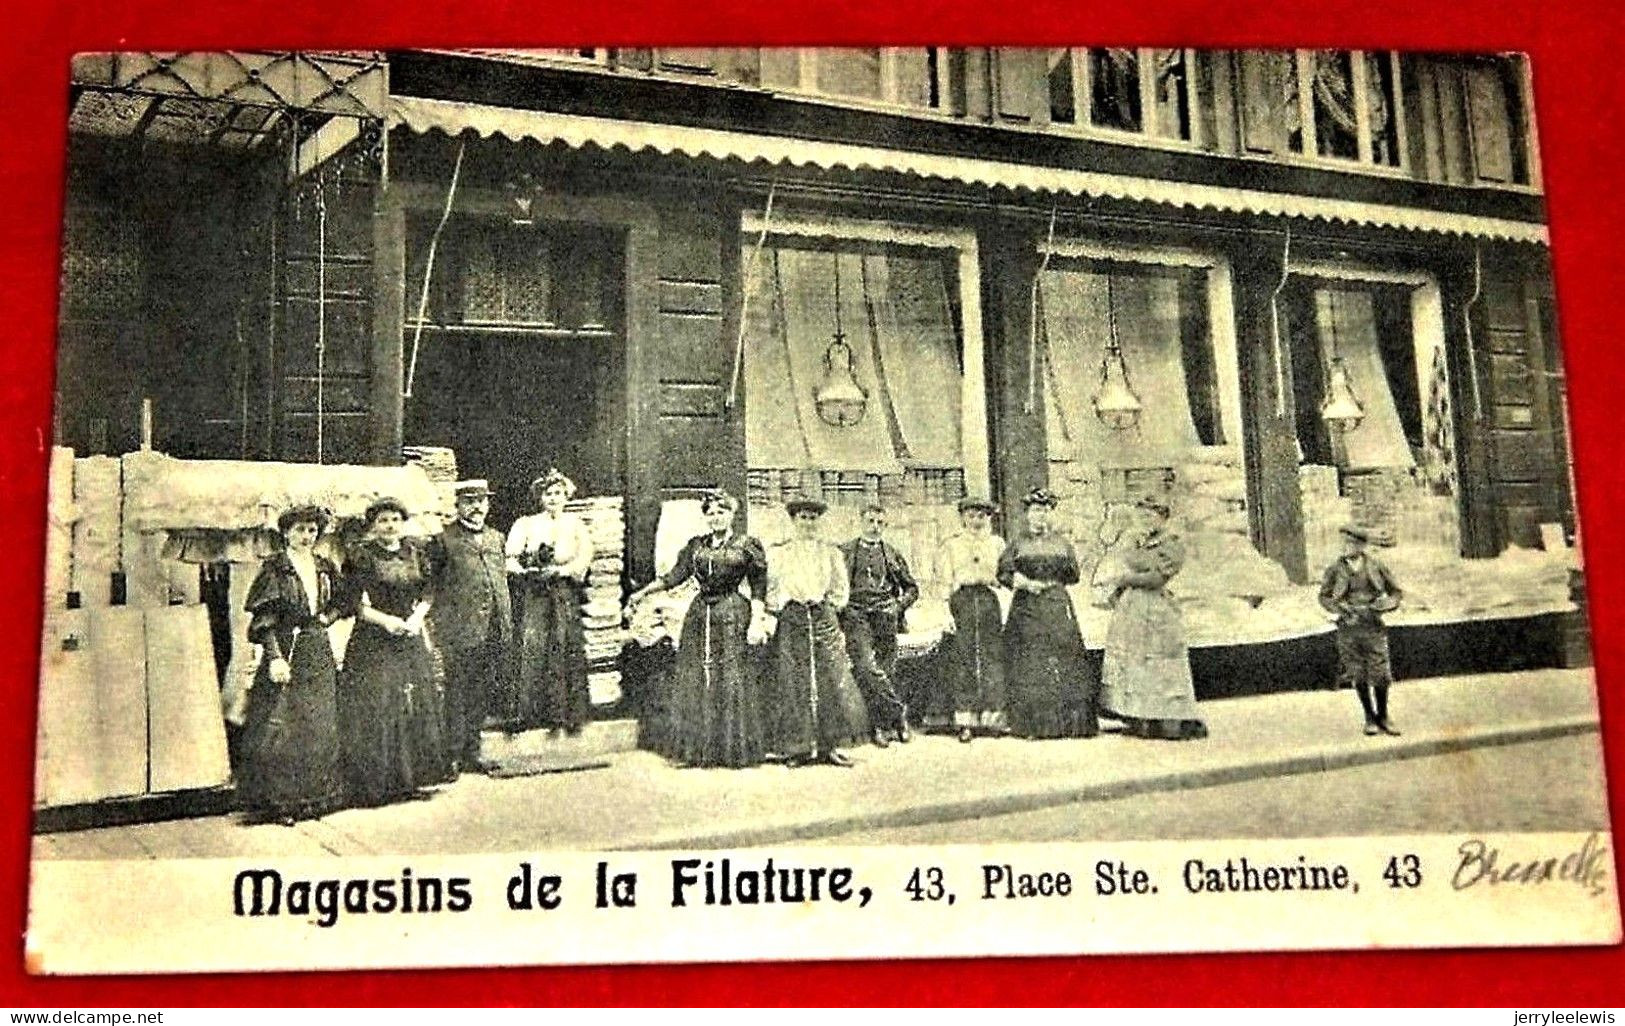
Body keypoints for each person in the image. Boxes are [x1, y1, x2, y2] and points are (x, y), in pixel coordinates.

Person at [626, 490, 770, 768]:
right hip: (700, 613)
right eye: (711, 512)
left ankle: (730, 750)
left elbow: (759, 587)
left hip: (732, 613)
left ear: (732, 514)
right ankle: (698, 750)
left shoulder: (747, 545)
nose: (716, 517)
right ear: (705, 517)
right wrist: (641, 593)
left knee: (730, 676)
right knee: (696, 676)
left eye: (722, 511)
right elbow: (673, 577)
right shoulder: (696, 547)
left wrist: (757, 619)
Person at [236, 505, 346, 825]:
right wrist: (274, 658)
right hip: (285, 647)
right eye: (299, 530)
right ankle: (281, 802)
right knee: (284, 724)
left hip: (316, 648)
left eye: (312, 530)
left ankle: (314, 798)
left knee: (318, 722)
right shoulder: (276, 569)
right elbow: (265, 619)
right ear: (286, 533)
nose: (306, 536)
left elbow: (343, 599)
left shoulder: (324, 566)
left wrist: (325, 619)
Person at [338, 497, 450, 807]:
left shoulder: (415, 552)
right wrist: (386, 621)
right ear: (373, 526)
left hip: (409, 633)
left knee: (413, 701)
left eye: (395, 520)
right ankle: (377, 785)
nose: (390, 526)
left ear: (404, 523)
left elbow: (429, 591)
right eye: (383, 521)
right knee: (379, 705)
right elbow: (352, 603)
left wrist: (415, 619)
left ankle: (410, 779)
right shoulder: (362, 556)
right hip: (374, 638)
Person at [764, 497, 869, 767]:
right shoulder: (780, 552)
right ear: (794, 520)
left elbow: (840, 588)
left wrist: (828, 606)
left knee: (831, 678)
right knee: (794, 679)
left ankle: (829, 746)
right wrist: (785, 607)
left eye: (813, 518)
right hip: (793, 617)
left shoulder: (830, 552)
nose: (808, 523)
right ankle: (798, 747)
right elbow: (772, 589)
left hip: (822, 616)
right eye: (803, 518)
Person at [1098, 496, 1207, 741]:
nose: (1147, 520)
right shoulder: (1137, 542)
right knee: (1134, 661)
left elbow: (1157, 578)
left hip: (1157, 609)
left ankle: (1167, 717)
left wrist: (1125, 578)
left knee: (1159, 662)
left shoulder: (1171, 545)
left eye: (1152, 515)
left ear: (1163, 517)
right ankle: (1139, 715)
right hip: (1132, 610)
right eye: (1143, 516)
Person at [997, 487, 1097, 739]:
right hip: (1026, 607)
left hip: (1055, 603)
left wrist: (1053, 582)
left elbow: (1073, 575)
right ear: (1027, 515)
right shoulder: (1017, 544)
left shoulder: (1061, 543)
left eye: (1045, 511)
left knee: (1065, 655)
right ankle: (1032, 725)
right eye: (1035, 511)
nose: (1040, 516)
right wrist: (1023, 583)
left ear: (1051, 514)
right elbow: (1003, 573)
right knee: (1030, 659)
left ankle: (1069, 725)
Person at [428, 479, 512, 774]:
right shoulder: (443, 540)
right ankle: (451, 756)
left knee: (480, 691)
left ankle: (472, 753)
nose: (477, 507)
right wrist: (441, 627)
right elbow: (433, 588)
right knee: (457, 691)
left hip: (493, 627)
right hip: (459, 630)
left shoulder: (496, 538)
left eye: (481, 501)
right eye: (470, 501)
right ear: (458, 505)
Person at [505, 468, 593, 735]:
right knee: (534, 645)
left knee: (564, 644)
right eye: (548, 494)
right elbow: (509, 557)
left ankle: (566, 715)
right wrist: (526, 571)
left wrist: (563, 571)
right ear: (540, 497)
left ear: (566, 496)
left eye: (558, 493)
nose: (553, 499)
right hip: (535, 593)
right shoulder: (526, 524)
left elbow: (584, 556)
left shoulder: (576, 524)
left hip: (564, 591)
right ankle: (529, 713)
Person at [838, 504, 919, 748]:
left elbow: (912, 589)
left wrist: (898, 607)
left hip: (886, 615)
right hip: (856, 615)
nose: (874, 527)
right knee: (866, 667)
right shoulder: (845, 552)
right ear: (860, 522)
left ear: (884, 526)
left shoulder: (892, 554)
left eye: (879, 523)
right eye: (870, 521)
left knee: (886, 670)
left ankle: (880, 726)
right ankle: (899, 714)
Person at [1319, 523, 1404, 736]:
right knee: (1357, 673)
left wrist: (1384, 605)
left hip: (1373, 626)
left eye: (1349, 542)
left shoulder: (1376, 566)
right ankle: (1369, 716)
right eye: (1343, 542)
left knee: (1381, 673)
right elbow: (1324, 596)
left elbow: (1396, 592)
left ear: (1360, 545)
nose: (1345, 547)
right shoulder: (1335, 569)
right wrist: (1338, 608)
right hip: (1348, 628)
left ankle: (1383, 715)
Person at [939, 495, 1007, 744]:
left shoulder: (997, 544)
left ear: (988, 518)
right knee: (964, 657)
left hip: (988, 600)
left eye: (981, 515)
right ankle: (965, 721)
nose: (976, 521)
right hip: (963, 601)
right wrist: (946, 613)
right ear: (962, 518)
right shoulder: (952, 545)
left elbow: (1005, 577)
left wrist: (993, 580)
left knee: (992, 656)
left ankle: (993, 719)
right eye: (971, 515)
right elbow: (945, 581)